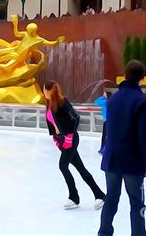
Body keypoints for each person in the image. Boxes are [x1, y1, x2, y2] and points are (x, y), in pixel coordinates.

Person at [99, 60, 146, 236]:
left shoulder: (113, 99)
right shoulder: (142, 101)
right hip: (133, 161)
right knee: (137, 203)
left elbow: (110, 128)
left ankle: (104, 233)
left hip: (112, 159)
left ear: (125, 76)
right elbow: (145, 137)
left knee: (111, 199)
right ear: (143, 79)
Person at [43, 81, 105, 210]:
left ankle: (73, 196)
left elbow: (75, 118)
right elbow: (53, 123)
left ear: (48, 90)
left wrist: (69, 137)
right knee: (81, 169)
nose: (43, 92)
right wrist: (55, 137)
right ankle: (99, 194)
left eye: (44, 89)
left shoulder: (62, 102)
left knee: (63, 166)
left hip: (70, 140)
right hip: (61, 140)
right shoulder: (48, 103)